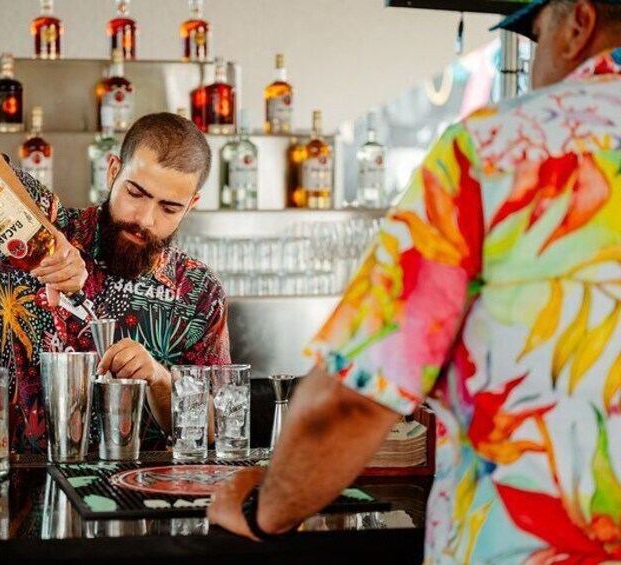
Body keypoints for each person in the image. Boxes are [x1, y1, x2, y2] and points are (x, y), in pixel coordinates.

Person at [208, 1, 621, 562]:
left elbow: (352, 402)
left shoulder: (498, 149)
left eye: (536, 38)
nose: (529, 69)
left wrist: (263, 511)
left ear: (578, 24)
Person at [0, 113, 230, 454]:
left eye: (169, 208)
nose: (145, 220)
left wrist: (160, 379)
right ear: (114, 170)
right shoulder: (45, 223)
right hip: (19, 477)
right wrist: (46, 240)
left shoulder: (198, 290)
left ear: (191, 205)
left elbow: (212, 429)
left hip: (139, 491)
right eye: (135, 193)